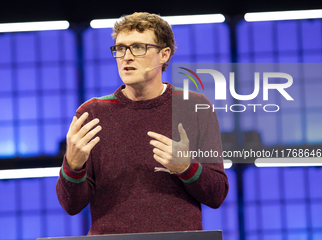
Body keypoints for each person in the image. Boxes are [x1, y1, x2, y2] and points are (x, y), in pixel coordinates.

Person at [56, 12, 229, 235]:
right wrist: (73, 165)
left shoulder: (194, 106)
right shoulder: (92, 113)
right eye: (120, 49)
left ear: (164, 55)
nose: (126, 57)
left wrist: (187, 167)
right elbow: (71, 206)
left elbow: (217, 195)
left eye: (138, 47)